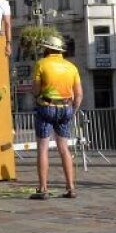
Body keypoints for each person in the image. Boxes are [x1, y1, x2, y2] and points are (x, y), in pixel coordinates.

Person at [29, 34, 82, 200]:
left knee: (43, 148)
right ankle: (71, 187)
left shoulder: (41, 64)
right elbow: (79, 95)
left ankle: (43, 188)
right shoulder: (72, 67)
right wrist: (72, 111)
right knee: (64, 149)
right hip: (65, 107)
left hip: (47, 107)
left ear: (47, 48)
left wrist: (38, 97)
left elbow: (36, 90)